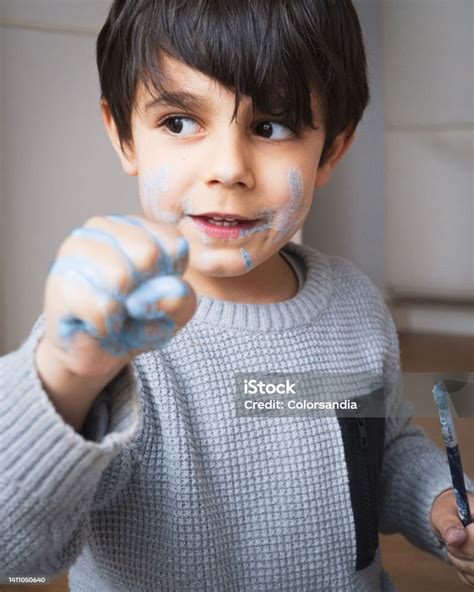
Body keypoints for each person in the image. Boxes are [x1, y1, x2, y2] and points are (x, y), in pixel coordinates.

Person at [1, 1, 473, 590]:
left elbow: (377, 445)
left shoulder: (355, 306)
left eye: (271, 126)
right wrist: (67, 380)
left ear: (331, 150)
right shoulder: (105, 338)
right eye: (178, 121)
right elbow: (12, 545)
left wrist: (439, 503)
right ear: (124, 135)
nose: (228, 168)